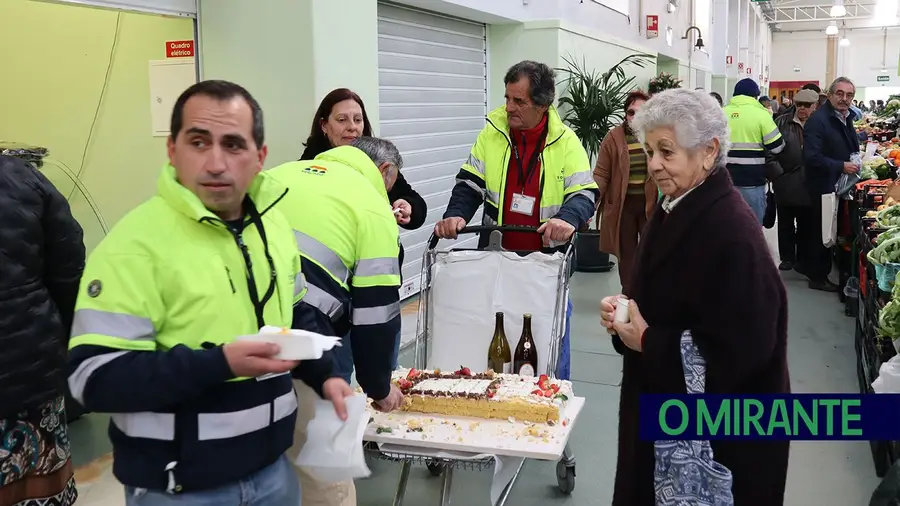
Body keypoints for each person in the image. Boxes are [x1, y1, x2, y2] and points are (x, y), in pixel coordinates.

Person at [66, 80, 353, 506]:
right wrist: (218, 363)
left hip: (274, 473)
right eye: (199, 142)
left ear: (260, 158)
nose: (216, 163)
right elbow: (91, 378)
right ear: (172, 150)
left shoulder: (270, 227)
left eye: (234, 145)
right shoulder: (135, 245)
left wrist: (326, 373)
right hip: (179, 489)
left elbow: (295, 314)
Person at [601, 88, 790, 506]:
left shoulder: (731, 232)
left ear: (708, 152)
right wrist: (626, 311)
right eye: (649, 151)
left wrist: (649, 341)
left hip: (718, 441)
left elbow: (746, 349)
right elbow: (662, 294)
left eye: (666, 152)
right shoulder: (678, 205)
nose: (653, 166)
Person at [432, 60, 598, 380]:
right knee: (496, 334)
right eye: (507, 98)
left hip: (545, 264)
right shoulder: (492, 133)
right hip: (496, 260)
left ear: (542, 104)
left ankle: (552, 399)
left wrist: (566, 219)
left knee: (549, 340)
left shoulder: (566, 143)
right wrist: (455, 214)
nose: (509, 107)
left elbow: (584, 194)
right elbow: (469, 184)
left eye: (518, 101)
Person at [269, 139, 406, 506]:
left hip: (234, 340)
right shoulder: (372, 208)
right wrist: (379, 388)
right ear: (385, 172)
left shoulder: (280, 173)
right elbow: (376, 317)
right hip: (300, 341)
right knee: (324, 476)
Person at [299, 87, 426, 370]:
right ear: (324, 125)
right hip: (332, 295)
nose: (352, 127)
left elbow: (417, 205)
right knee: (338, 375)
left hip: (377, 286)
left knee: (384, 367)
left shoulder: (376, 160)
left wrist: (407, 206)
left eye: (357, 119)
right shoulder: (309, 168)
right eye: (342, 120)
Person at [0, 155, 84, 506]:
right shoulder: (22, 178)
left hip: (32, 362)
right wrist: (61, 339)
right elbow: (68, 271)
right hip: (30, 369)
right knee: (40, 489)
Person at [593, 91, 657, 292]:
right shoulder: (614, 138)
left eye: (642, 112)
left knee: (652, 250)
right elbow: (601, 174)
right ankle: (628, 296)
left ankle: (648, 295)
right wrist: (590, 202)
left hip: (651, 205)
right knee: (626, 253)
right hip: (624, 206)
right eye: (631, 112)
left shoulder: (657, 135)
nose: (635, 117)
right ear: (625, 114)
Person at [803, 77, 861, 293]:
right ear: (830, 95)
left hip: (837, 184)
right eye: (840, 93)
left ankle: (819, 271)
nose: (844, 99)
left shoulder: (846, 117)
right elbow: (811, 157)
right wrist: (841, 165)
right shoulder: (819, 120)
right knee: (822, 232)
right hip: (823, 185)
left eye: (849, 95)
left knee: (829, 230)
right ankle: (817, 277)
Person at [723, 78, 785, 223]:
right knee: (752, 227)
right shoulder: (761, 114)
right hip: (752, 181)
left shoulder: (721, 113)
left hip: (724, 180)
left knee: (726, 227)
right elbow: (777, 147)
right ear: (755, 96)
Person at [770, 89, 818, 273]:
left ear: (815, 106)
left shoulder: (819, 125)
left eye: (807, 106)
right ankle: (787, 257)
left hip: (811, 183)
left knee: (807, 224)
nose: (802, 109)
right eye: (799, 105)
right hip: (786, 182)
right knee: (785, 222)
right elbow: (769, 152)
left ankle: (802, 259)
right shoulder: (782, 123)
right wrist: (778, 175)